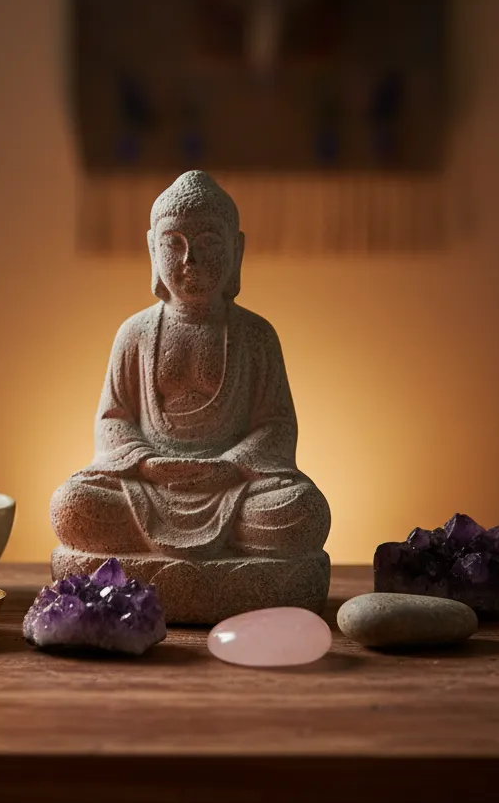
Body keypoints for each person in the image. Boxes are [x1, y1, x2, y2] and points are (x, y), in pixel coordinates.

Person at [51, 171, 330, 560]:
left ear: (236, 250)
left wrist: (230, 465)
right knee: (74, 504)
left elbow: (277, 425)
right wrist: (147, 463)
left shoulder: (256, 335)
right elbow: (113, 419)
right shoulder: (135, 333)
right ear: (153, 249)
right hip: (150, 485)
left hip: (232, 486)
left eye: (208, 242)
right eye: (174, 243)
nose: (190, 260)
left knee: (302, 510)